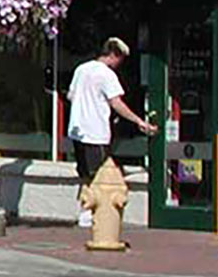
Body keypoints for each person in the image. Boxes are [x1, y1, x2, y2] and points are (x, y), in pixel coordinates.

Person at [67, 37, 157, 227]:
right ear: (114, 55)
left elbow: (70, 95)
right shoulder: (106, 75)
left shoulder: (81, 69)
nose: (119, 64)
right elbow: (116, 103)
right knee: (100, 176)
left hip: (77, 131)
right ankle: (91, 214)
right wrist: (139, 121)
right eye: (120, 59)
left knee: (85, 173)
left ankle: (84, 211)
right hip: (95, 131)